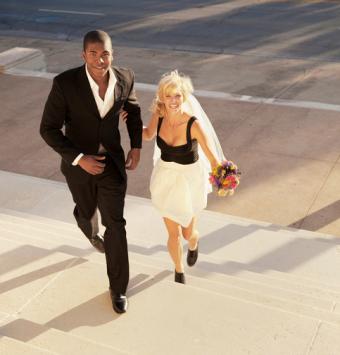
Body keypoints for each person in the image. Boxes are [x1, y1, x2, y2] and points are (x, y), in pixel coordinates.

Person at [40, 30, 142, 313]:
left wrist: (136, 146)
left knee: (116, 224)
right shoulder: (65, 84)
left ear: (113, 54)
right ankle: (87, 225)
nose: (100, 60)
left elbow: (133, 112)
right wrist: (79, 158)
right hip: (79, 167)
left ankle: (118, 288)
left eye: (105, 53)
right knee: (86, 212)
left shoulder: (125, 78)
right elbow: (47, 129)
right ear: (83, 55)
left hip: (111, 163)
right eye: (94, 54)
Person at [121, 71, 224, 284]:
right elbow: (149, 134)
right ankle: (179, 271)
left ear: (184, 96)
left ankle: (194, 244)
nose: (174, 101)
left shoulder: (193, 124)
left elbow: (213, 159)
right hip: (165, 179)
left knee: (188, 234)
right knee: (173, 234)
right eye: (169, 96)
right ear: (162, 97)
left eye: (177, 95)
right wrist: (131, 122)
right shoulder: (159, 115)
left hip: (190, 182)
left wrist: (225, 178)